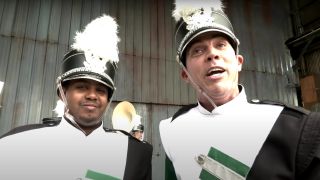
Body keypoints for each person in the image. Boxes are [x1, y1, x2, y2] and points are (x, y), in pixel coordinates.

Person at [159, 0, 320, 180]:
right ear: (185, 75)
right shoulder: (173, 129)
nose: (212, 54)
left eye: (220, 45)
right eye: (197, 50)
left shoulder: (299, 129)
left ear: (238, 62)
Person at [0, 14, 152, 180]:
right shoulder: (16, 144)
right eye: (81, 87)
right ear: (62, 93)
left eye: (101, 90)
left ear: (109, 99)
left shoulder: (137, 153)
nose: (92, 95)